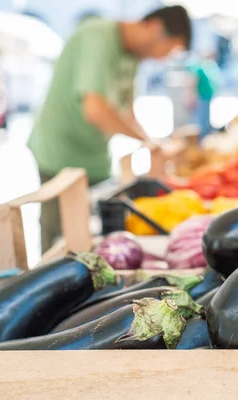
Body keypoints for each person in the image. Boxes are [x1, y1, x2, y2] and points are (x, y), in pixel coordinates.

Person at [27, 6, 192, 252]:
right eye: (168, 49)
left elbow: (127, 111)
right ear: (156, 28)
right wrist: (146, 143)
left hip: (95, 156)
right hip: (60, 152)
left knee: (89, 236)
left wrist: (151, 141)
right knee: (58, 241)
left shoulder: (132, 56)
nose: (163, 58)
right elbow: (95, 109)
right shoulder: (98, 36)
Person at [185, 53, 222, 140]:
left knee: (204, 118)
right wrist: (190, 96)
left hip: (206, 95)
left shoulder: (204, 65)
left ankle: (204, 137)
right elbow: (192, 82)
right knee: (201, 120)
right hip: (201, 96)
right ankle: (201, 139)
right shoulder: (195, 66)